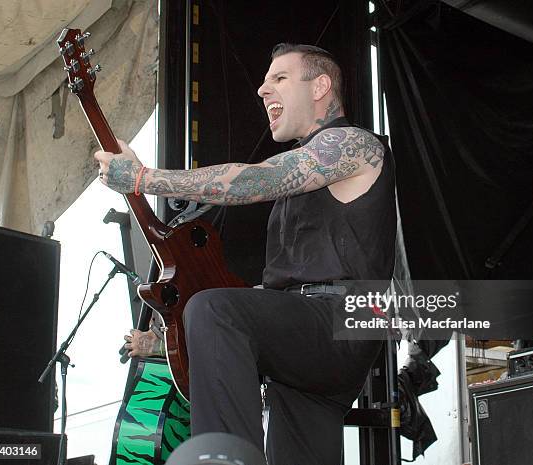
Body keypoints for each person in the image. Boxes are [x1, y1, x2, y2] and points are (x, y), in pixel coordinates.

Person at [96, 43, 396, 465]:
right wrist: (171, 344)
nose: (261, 90)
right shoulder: (308, 178)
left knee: (215, 310)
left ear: (320, 86)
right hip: (307, 355)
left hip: (341, 319)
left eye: (279, 78)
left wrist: (144, 178)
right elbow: (274, 298)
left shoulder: (352, 145)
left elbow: (250, 181)